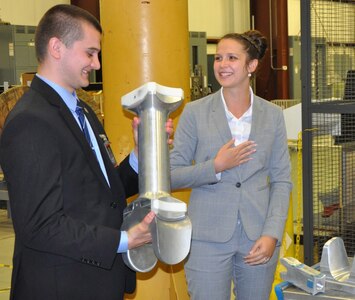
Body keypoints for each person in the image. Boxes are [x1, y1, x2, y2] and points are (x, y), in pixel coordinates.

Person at [0, 4, 172, 300]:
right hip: (61, 286)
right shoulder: (31, 121)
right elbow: (41, 225)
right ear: (57, 47)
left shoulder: (83, 111)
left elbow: (104, 194)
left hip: (95, 281)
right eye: (90, 53)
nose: (97, 64)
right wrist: (123, 240)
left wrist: (140, 155)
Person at [170, 30, 292, 300]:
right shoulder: (194, 112)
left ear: (251, 66)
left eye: (232, 58)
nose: (222, 64)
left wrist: (272, 233)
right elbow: (171, 174)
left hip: (258, 236)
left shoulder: (272, 116)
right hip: (206, 238)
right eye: (218, 58)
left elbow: (282, 180)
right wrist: (215, 166)